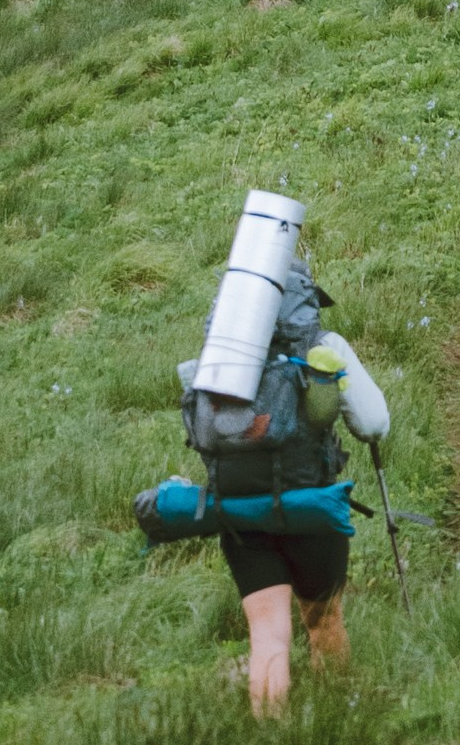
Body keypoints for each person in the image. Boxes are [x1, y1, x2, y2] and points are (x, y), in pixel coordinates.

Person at [144, 246, 391, 714]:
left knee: (268, 639)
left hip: (241, 515)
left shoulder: (219, 358)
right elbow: (374, 424)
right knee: (323, 623)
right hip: (312, 506)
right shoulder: (323, 347)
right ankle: (337, 722)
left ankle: (271, 741)